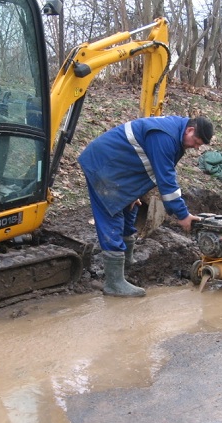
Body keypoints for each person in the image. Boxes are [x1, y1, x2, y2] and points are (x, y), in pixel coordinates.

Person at [78, 115, 214, 297]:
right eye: (196, 142)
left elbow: (146, 164)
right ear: (190, 130)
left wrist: (133, 192)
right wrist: (183, 215)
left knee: (130, 210)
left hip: (119, 169)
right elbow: (166, 180)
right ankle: (114, 282)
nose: (196, 147)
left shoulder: (175, 134)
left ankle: (126, 264)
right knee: (112, 216)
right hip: (104, 166)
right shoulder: (165, 136)